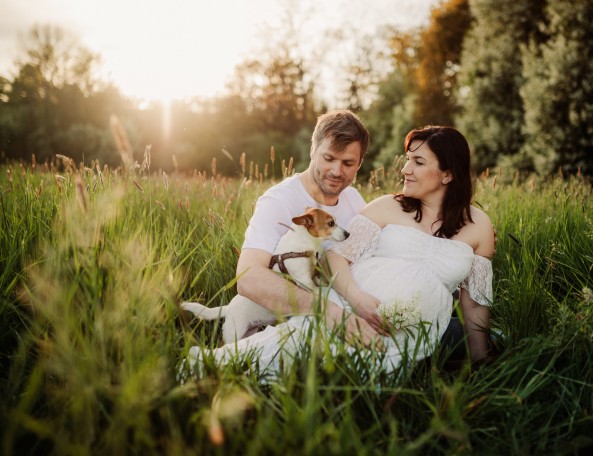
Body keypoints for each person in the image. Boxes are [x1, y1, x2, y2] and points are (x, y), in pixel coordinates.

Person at [182, 126, 494, 377]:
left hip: (420, 324)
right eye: (329, 158)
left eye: (418, 162)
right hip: (342, 309)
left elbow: (475, 303)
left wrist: (481, 362)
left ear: (448, 174)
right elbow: (259, 276)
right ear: (313, 152)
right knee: (299, 357)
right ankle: (234, 359)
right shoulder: (384, 206)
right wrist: (349, 308)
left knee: (475, 341)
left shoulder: (477, 226)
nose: (405, 169)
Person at [234, 109, 379, 344]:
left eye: (348, 163)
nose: (336, 171)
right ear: (313, 151)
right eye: (329, 158)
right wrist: (326, 309)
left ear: (360, 163)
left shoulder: (354, 200)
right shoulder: (279, 201)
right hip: (282, 322)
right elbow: (247, 278)